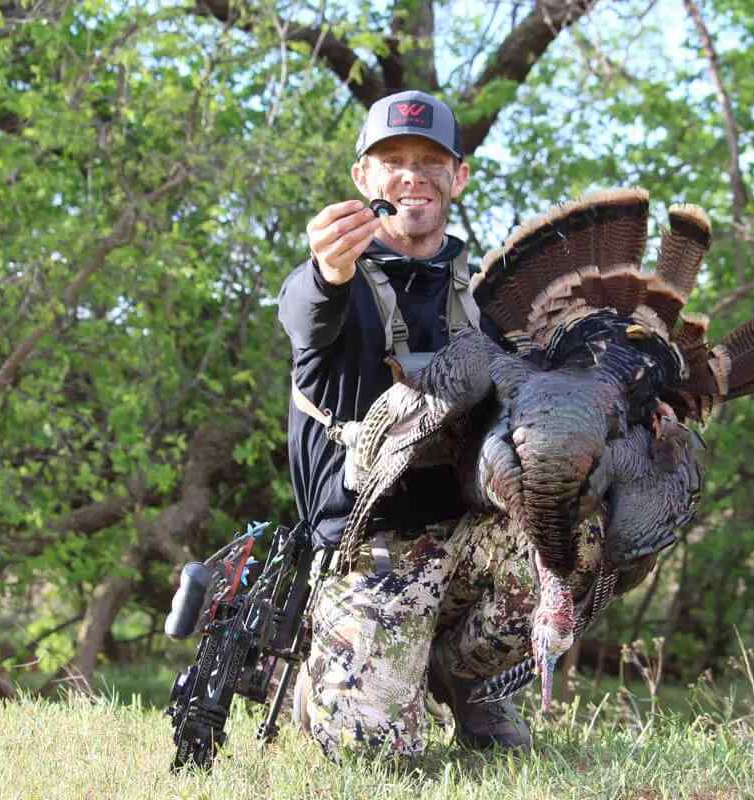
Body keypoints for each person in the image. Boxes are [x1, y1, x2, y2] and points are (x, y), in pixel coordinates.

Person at [277, 90, 546, 760]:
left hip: (463, 539)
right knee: (374, 754)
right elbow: (307, 312)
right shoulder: (330, 284)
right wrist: (327, 269)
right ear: (362, 179)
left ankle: (470, 677)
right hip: (366, 551)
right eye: (392, 160)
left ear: (459, 176)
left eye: (430, 162)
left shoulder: (487, 304)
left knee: (581, 532)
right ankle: (331, 677)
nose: (410, 175)